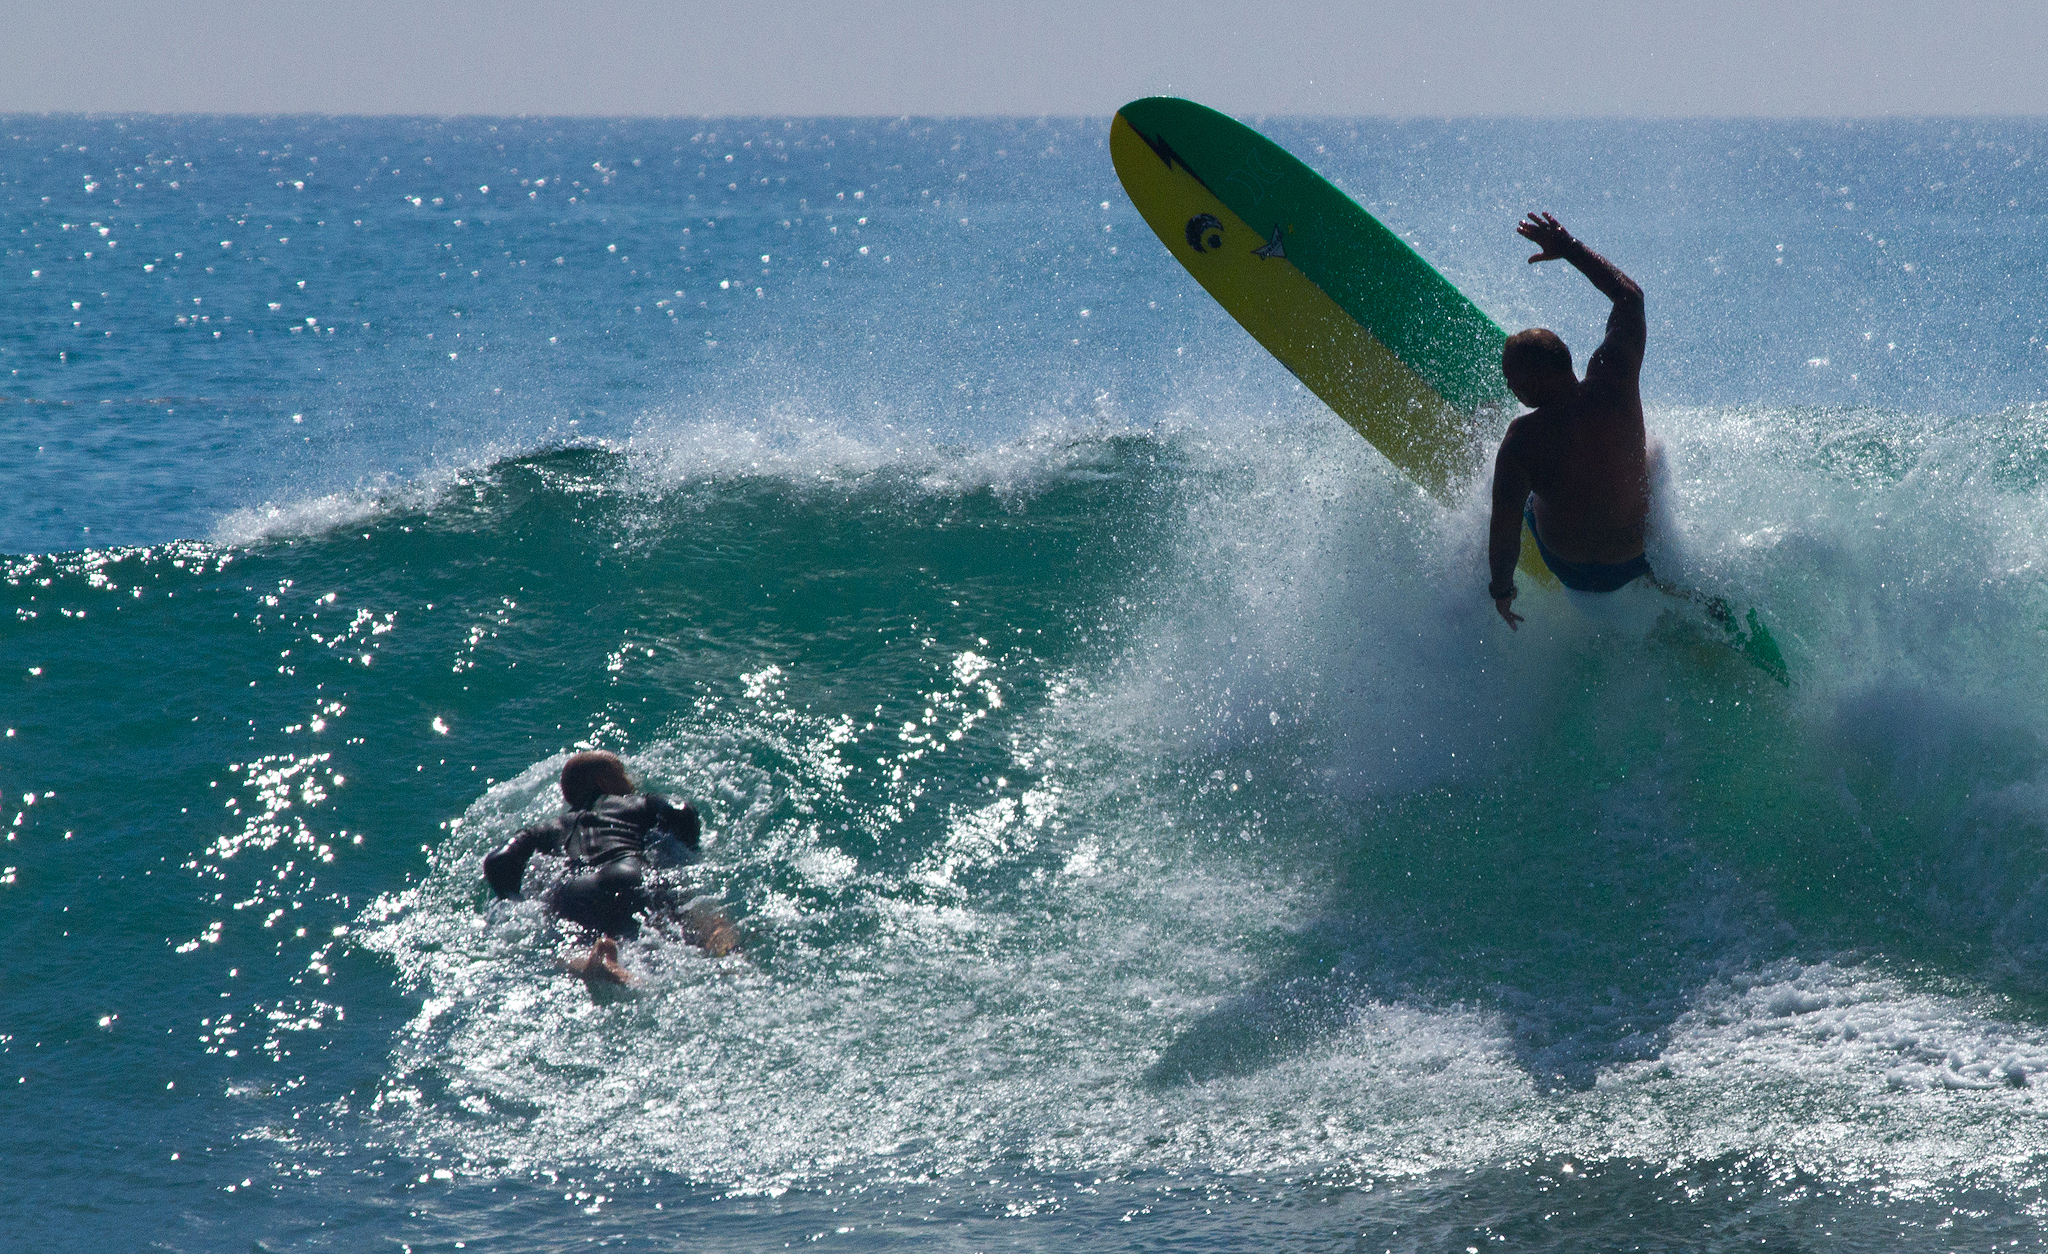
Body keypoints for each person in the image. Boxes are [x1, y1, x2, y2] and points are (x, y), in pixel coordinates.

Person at [1487, 212, 1654, 629]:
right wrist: (1568, 248)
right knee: (1648, 461)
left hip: (1574, 572)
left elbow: (1503, 528)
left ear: (1533, 383)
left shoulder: (1522, 440)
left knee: (1519, 500)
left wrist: (1501, 591)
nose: (1511, 390)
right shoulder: (1613, 378)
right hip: (1634, 557)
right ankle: (1665, 584)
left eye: (1513, 381)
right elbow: (1630, 298)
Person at [483, 750, 737, 983]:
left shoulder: (548, 827)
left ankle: (599, 961)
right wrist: (683, 850)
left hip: (574, 889)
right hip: (628, 872)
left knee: (567, 947)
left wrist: (514, 896)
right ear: (604, 781)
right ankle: (730, 954)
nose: (631, 783)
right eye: (624, 775)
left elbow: (497, 860)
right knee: (693, 914)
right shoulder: (634, 803)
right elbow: (681, 810)